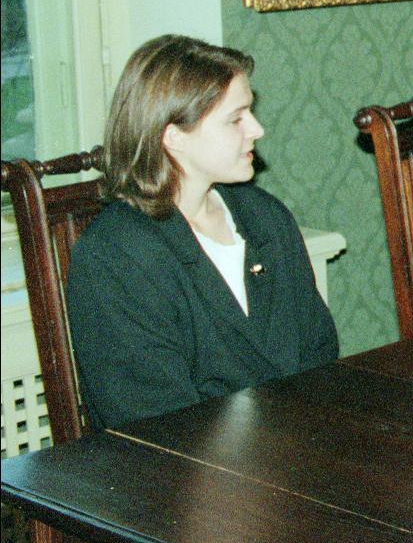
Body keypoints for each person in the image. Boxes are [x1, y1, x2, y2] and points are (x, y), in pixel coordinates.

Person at [66, 36, 339, 432]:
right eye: (236, 118)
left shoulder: (264, 217)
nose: (257, 129)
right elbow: (155, 424)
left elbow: (319, 353)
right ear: (173, 136)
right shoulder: (116, 256)